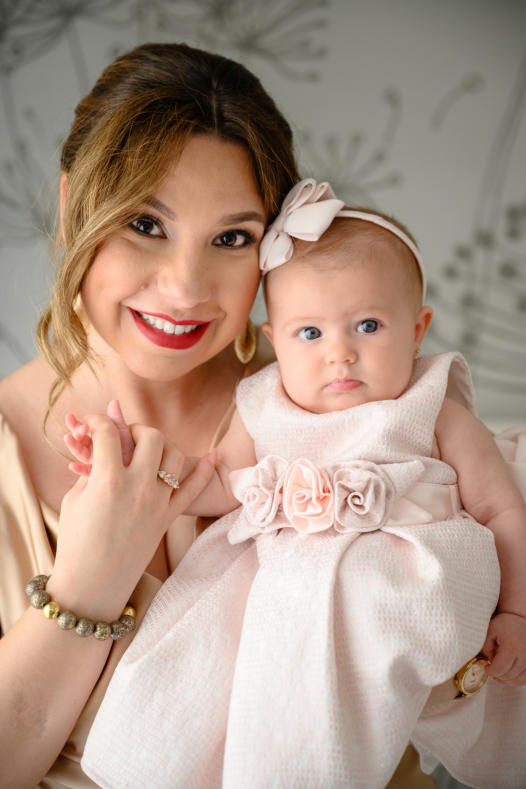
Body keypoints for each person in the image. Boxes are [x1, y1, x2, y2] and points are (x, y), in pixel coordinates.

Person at [74, 180, 526, 788]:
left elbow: (502, 508)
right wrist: (134, 461)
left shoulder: (432, 405)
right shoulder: (263, 405)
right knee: (223, 660)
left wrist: (518, 611)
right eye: (310, 334)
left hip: (409, 583)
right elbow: (219, 484)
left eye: (368, 325)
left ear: (418, 329)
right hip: (292, 592)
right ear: (274, 342)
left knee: (355, 652)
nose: (339, 353)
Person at [0, 41, 301, 789]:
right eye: (146, 223)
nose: (184, 288)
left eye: (231, 238)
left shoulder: (331, 416)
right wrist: (86, 589)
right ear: (75, 206)